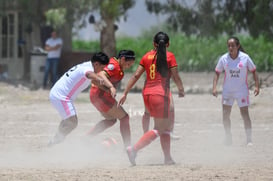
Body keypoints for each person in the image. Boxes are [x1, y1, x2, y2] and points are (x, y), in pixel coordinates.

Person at [119, 32, 185, 166]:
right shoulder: (169, 56)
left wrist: (125, 92)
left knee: (164, 127)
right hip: (161, 95)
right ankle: (133, 150)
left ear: (154, 44)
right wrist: (181, 89)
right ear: (168, 44)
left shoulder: (146, 57)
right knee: (159, 128)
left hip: (147, 94)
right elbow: (176, 76)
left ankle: (168, 158)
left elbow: (135, 76)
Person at [48, 52, 116, 146]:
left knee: (68, 120)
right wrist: (100, 79)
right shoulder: (87, 69)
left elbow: (92, 80)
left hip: (59, 94)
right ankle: (56, 141)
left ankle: (56, 140)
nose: (102, 70)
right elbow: (89, 75)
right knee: (72, 122)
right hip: (61, 96)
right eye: (101, 67)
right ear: (96, 64)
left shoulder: (88, 65)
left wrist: (107, 90)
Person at [212, 36, 259, 146]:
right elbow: (217, 72)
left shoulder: (245, 58)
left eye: (233, 45)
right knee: (225, 115)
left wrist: (257, 86)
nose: (230, 47)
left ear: (238, 46)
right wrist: (214, 87)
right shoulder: (224, 58)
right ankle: (228, 137)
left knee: (245, 114)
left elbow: (254, 70)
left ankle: (249, 139)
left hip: (241, 90)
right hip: (228, 91)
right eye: (228, 46)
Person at [88, 50, 136, 149]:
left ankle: (86, 138)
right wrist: (110, 87)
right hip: (100, 96)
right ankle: (128, 147)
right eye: (129, 63)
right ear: (122, 59)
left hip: (98, 96)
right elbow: (100, 75)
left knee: (111, 120)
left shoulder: (117, 66)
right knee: (124, 118)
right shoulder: (114, 66)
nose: (129, 66)